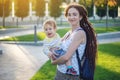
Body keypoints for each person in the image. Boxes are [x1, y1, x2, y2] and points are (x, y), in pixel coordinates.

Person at [50, 3, 97, 80]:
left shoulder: (80, 33)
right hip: (60, 72)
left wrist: (53, 62)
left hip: (71, 76)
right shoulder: (68, 33)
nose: (71, 17)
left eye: (74, 14)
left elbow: (66, 58)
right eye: (69, 14)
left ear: (80, 17)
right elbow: (57, 46)